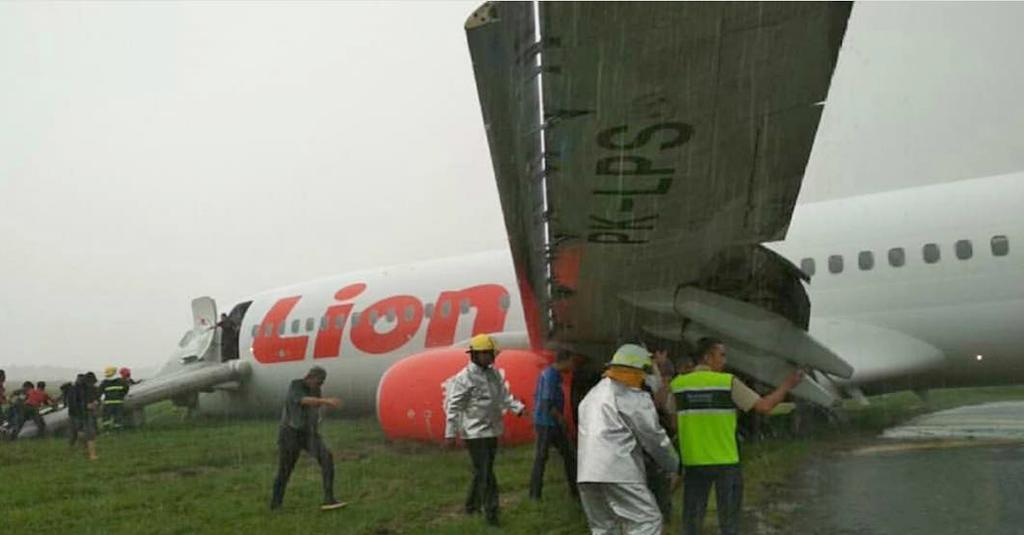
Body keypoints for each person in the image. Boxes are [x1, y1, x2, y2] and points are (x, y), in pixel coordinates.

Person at [672, 337, 803, 535]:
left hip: (694, 462)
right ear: (707, 357)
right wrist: (787, 385)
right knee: (729, 523)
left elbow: (674, 421)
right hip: (726, 461)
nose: (725, 360)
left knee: (692, 521)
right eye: (721, 355)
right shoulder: (727, 382)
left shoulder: (679, 385)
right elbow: (765, 406)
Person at [576, 344, 680, 535]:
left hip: (586, 473)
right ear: (636, 370)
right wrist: (674, 463)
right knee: (647, 521)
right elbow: (653, 437)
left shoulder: (592, 396)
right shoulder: (633, 397)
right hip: (620, 471)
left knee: (605, 527)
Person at [443, 334, 526, 527]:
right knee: (487, 474)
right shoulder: (464, 378)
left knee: (482, 470)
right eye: (488, 354)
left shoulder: (493, 374)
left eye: (492, 353)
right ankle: (492, 514)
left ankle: (471, 506)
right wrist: (450, 434)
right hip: (475, 434)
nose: (491, 357)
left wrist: (518, 409)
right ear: (476, 355)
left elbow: (504, 396)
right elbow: (454, 407)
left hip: (492, 431)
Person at [270, 366, 346, 512]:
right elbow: (303, 400)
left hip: (308, 433)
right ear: (309, 377)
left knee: (326, 458)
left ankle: (329, 498)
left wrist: (317, 422)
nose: (319, 385)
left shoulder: (316, 391)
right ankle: (276, 504)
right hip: (290, 433)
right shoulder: (296, 385)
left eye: (322, 383)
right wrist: (326, 401)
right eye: (318, 382)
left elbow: (315, 408)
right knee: (285, 470)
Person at [528, 350, 578, 501]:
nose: (573, 366)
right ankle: (535, 494)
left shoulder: (553, 374)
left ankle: (575, 490)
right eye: (572, 362)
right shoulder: (550, 376)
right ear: (564, 361)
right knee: (542, 457)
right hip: (547, 423)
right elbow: (548, 402)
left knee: (568, 455)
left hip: (549, 422)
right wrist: (561, 419)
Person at [67, 373, 100, 460]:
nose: (93, 384)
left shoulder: (90, 388)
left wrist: (96, 402)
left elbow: (96, 398)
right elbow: (74, 403)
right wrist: (87, 406)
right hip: (78, 414)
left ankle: (86, 452)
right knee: (84, 434)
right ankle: (90, 454)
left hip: (81, 414)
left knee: (83, 433)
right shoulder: (75, 390)